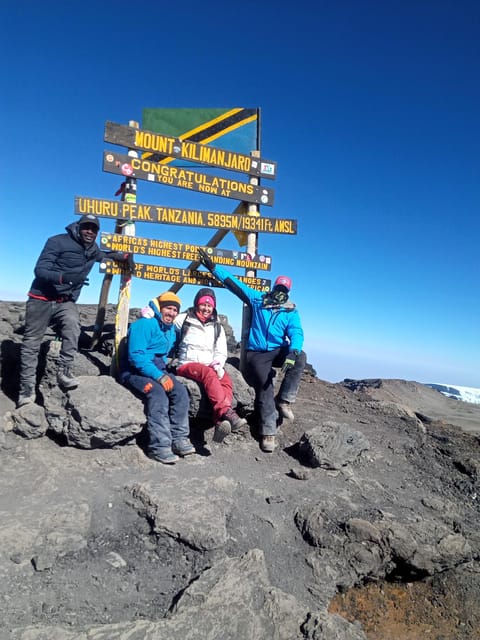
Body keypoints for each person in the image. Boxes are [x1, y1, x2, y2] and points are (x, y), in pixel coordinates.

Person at [18, 214, 135, 408]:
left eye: (94, 229)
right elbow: (40, 270)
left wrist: (124, 257)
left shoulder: (92, 248)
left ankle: (64, 371)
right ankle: (26, 390)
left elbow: (105, 255)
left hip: (65, 301)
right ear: (78, 227)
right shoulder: (57, 242)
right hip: (41, 300)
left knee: (73, 327)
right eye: (86, 227)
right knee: (31, 344)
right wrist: (64, 277)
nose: (90, 231)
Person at [198, 248, 307, 453]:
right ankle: (268, 432)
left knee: (301, 356)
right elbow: (234, 284)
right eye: (279, 288)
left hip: (278, 350)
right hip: (258, 353)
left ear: (288, 293)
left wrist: (293, 351)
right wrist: (214, 268)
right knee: (265, 386)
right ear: (274, 287)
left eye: (284, 290)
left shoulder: (290, 311)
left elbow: (296, 332)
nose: (280, 293)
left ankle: (284, 401)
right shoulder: (258, 300)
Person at [121, 291, 195, 465]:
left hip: (157, 368)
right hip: (133, 372)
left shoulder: (169, 329)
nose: (171, 313)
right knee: (158, 395)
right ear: (160, 308)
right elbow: (136, 356)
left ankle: (179, 439)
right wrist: (159, 376)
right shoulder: (145, 324)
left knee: (181, 392)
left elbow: (164, 354)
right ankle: (159, 447)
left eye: (175, 310)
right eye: (168, 308)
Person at [173, 287, 248, 441]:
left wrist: (218, 364)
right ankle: (226, 412)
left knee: (226, 380)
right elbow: (165, 318)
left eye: (210, 305)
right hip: (187, 363)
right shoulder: (184, 319)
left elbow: (221, 351)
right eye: (203, 304)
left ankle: (220, 422)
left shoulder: (216, 326)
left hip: (209, 364)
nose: (206, 308)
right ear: (196, 304)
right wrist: (151, 310)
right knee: (209, 375)